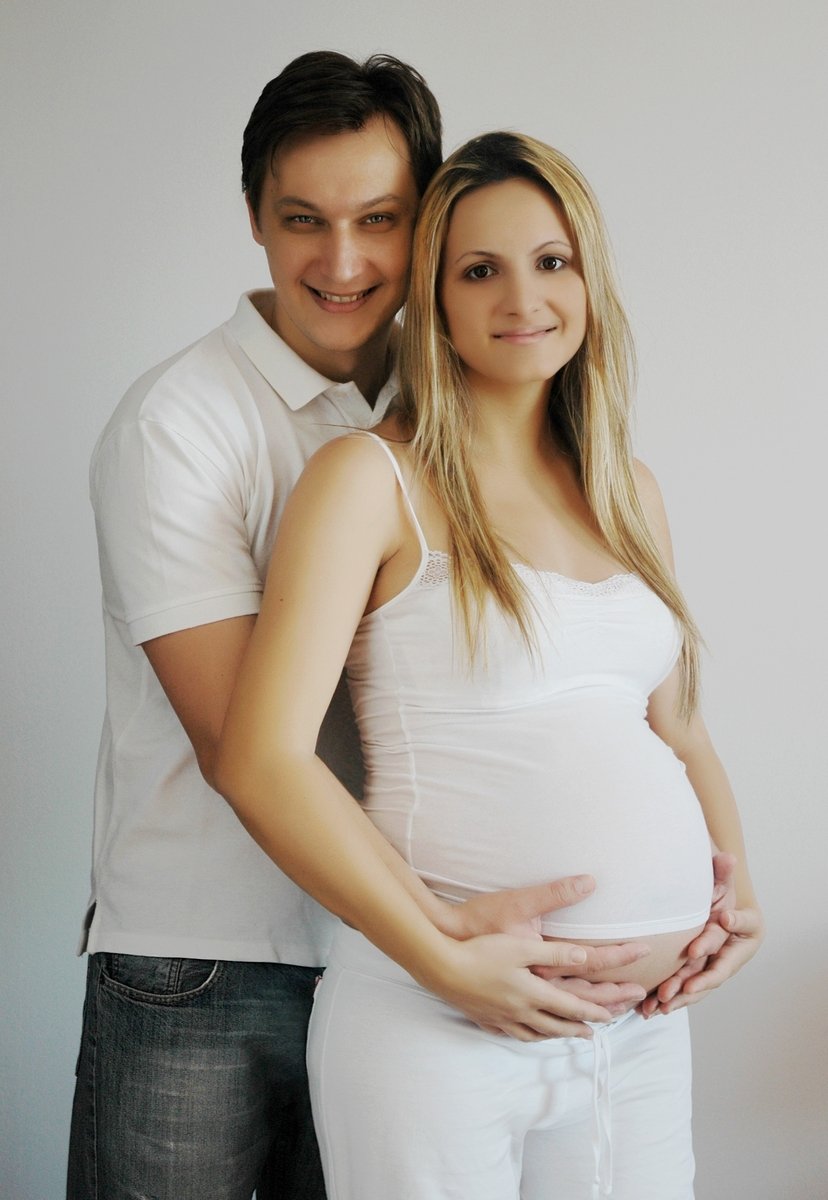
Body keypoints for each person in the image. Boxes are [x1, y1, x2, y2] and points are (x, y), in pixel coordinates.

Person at [68, 54, 665, 1200]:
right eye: (303, 220)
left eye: (379, 220)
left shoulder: (451, 406)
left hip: (390, 971)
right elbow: (238, 744)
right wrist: (440, 935)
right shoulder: (181, 425)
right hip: (212, 961)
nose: (342, 264)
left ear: (428, 222)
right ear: (254, 219)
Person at [215, 131, 764, 1198]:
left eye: (552, 260)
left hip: (640, 1036)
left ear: (589, 279)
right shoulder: (367, 479)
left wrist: (732, 901)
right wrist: (444, 961)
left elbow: (676, 727)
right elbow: (262, 760)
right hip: (437, 1020)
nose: (525, 295)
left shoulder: (628, 490)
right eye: (481, 269)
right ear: (437, 297)